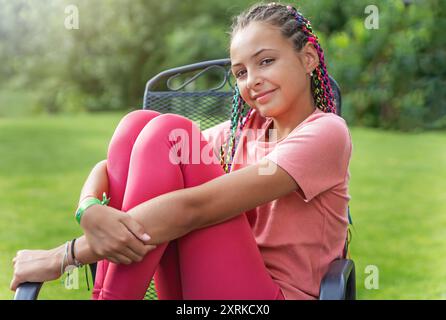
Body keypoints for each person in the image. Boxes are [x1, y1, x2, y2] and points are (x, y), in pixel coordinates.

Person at [10, 2, 352, 300]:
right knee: (137, 125)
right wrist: (88, 210)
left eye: (266, 61)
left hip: (269, 298)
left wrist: (65, 255)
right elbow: (116, 164)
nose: (252, 80)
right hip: (200, 287)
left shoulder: (325, 133)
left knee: (170, 132)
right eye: (241, 72)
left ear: (308, 58)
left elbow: (195, 209)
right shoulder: (241, 134)